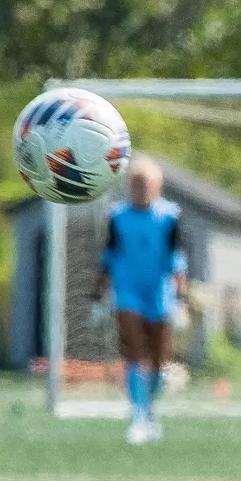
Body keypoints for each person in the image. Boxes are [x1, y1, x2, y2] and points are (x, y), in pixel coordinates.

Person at [91, 157, 187, 444]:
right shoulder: (118, 216)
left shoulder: (170, 216)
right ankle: (137, 416)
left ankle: (148, 409)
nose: (140, 188)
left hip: (159, 291)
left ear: (158, 185)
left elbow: (177, 259)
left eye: (146, 183)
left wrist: (181, 299)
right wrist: (97, 297)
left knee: (159, 361)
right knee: (134, 351)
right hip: (128, 289)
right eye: (136, 182)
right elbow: (108, 256)